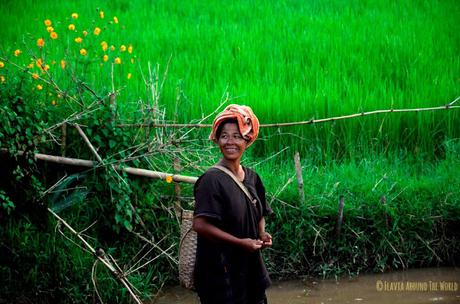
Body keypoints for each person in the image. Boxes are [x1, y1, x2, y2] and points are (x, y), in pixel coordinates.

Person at [192, 104, 273, 304]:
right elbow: (200, 225)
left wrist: (262, 233)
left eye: (237, 136)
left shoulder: (252, 177)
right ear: (217, 140)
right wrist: (240, 243)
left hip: (250, 271)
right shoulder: (211, 180)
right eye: (224, 136)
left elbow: (260, 212)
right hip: (220, 275)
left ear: (247, 140)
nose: (230, 142)